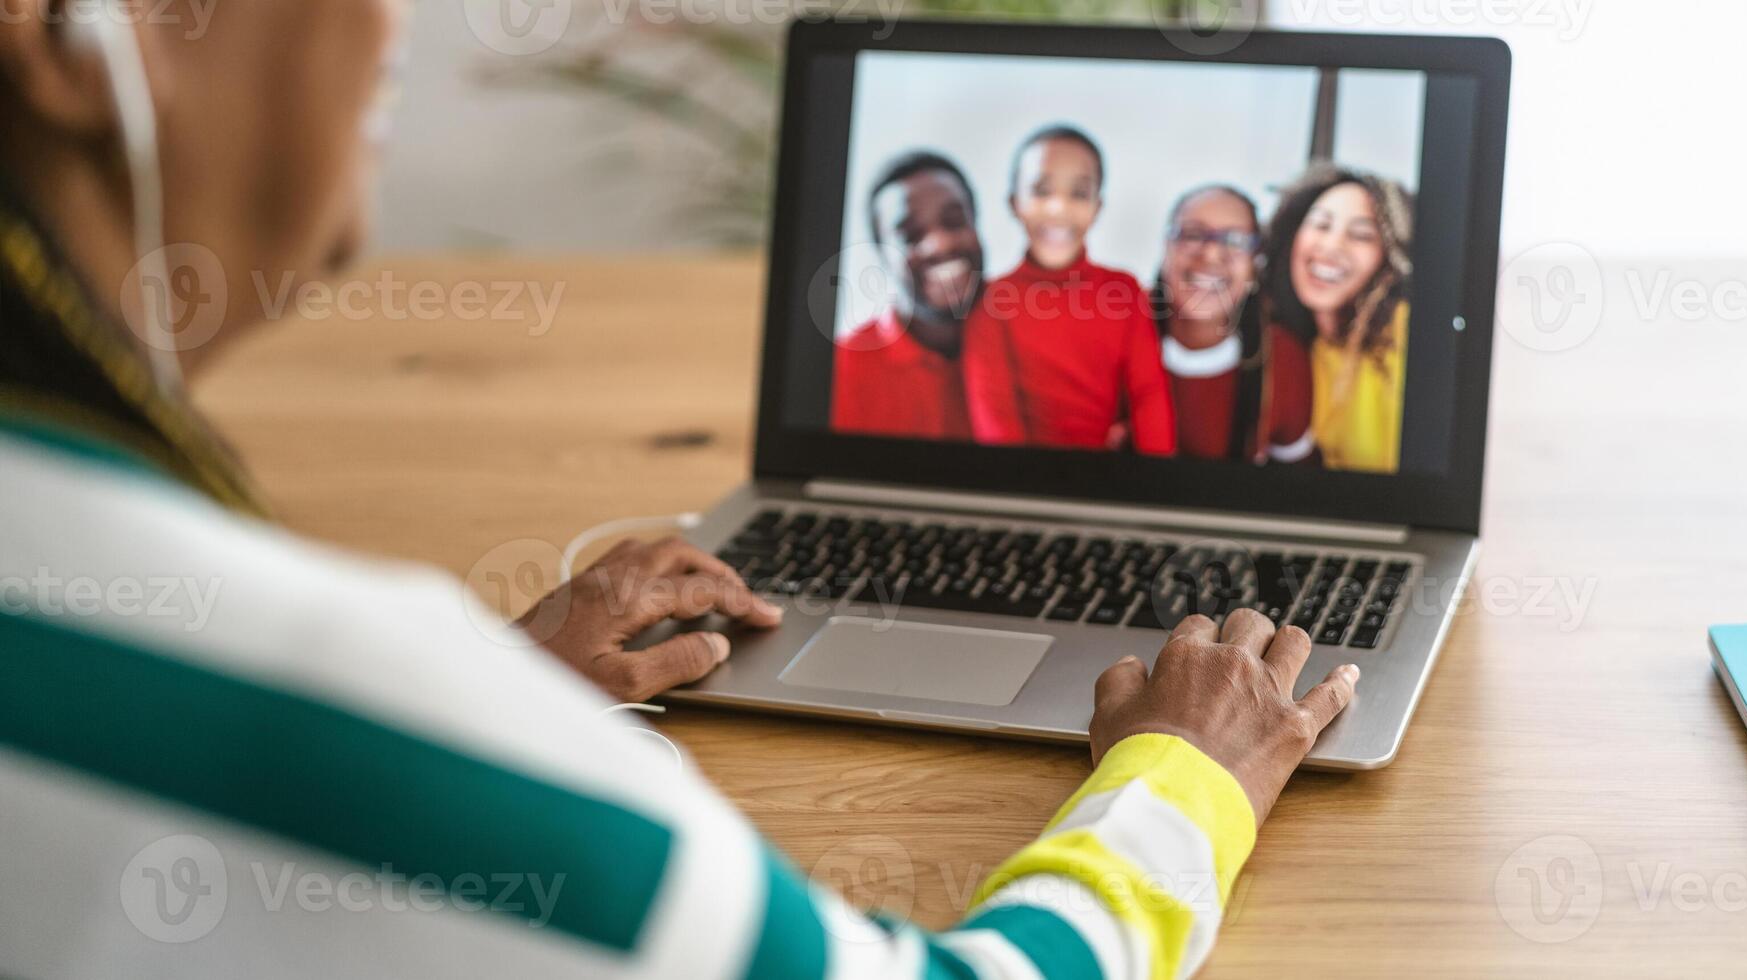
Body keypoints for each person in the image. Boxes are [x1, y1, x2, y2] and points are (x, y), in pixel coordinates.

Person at [0, 6, 1359, 979]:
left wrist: (487, 686)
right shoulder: (305, 710)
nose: (390, 24)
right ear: (53, 33)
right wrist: (1186, 781)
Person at [962, 125, 1176, 455]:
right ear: (1013, 203)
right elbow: (996, 422)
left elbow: (1149, 397)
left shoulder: (1124, 291)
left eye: (1078, 193)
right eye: (1041, 190)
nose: (1058, 208)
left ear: (1097, 207)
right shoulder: (989, 302)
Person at [1261, 165, 1414, 473]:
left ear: (1388, 259)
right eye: (1320, 225)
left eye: (1361, 235)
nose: (1332, 247)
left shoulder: (1404, 335)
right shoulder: (1290, 349)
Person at [1150, 185, 1314, 463]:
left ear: (1253, 264)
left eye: (1236, 241)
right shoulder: (1113, 333)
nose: (1212, 254)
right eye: (1192, 234)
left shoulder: (1283, 359)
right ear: (1166, 247)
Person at [830, 150, 982, 441]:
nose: (940, 244)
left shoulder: (1031, 341)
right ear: (882, 256)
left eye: (954, 221)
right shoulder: (839, 371)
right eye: (910, 236)